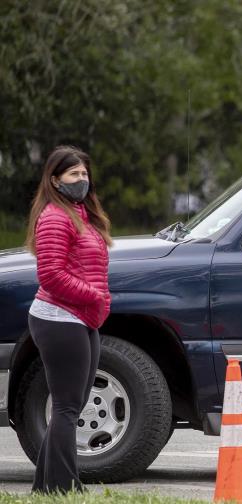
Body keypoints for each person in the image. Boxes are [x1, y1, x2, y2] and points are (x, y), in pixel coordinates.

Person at [24, 146, 112, 493]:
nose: (81, 180)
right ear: (55, 179)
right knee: (66, 407)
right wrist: (93, 295)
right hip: (59, 318)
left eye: (85, 174)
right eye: (73, 174)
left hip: (82, 319)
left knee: (70, 407)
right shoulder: (55, 217)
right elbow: (50, 274)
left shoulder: (81, 214)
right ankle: (65, 488)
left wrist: (96, 302)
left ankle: (45, 488)